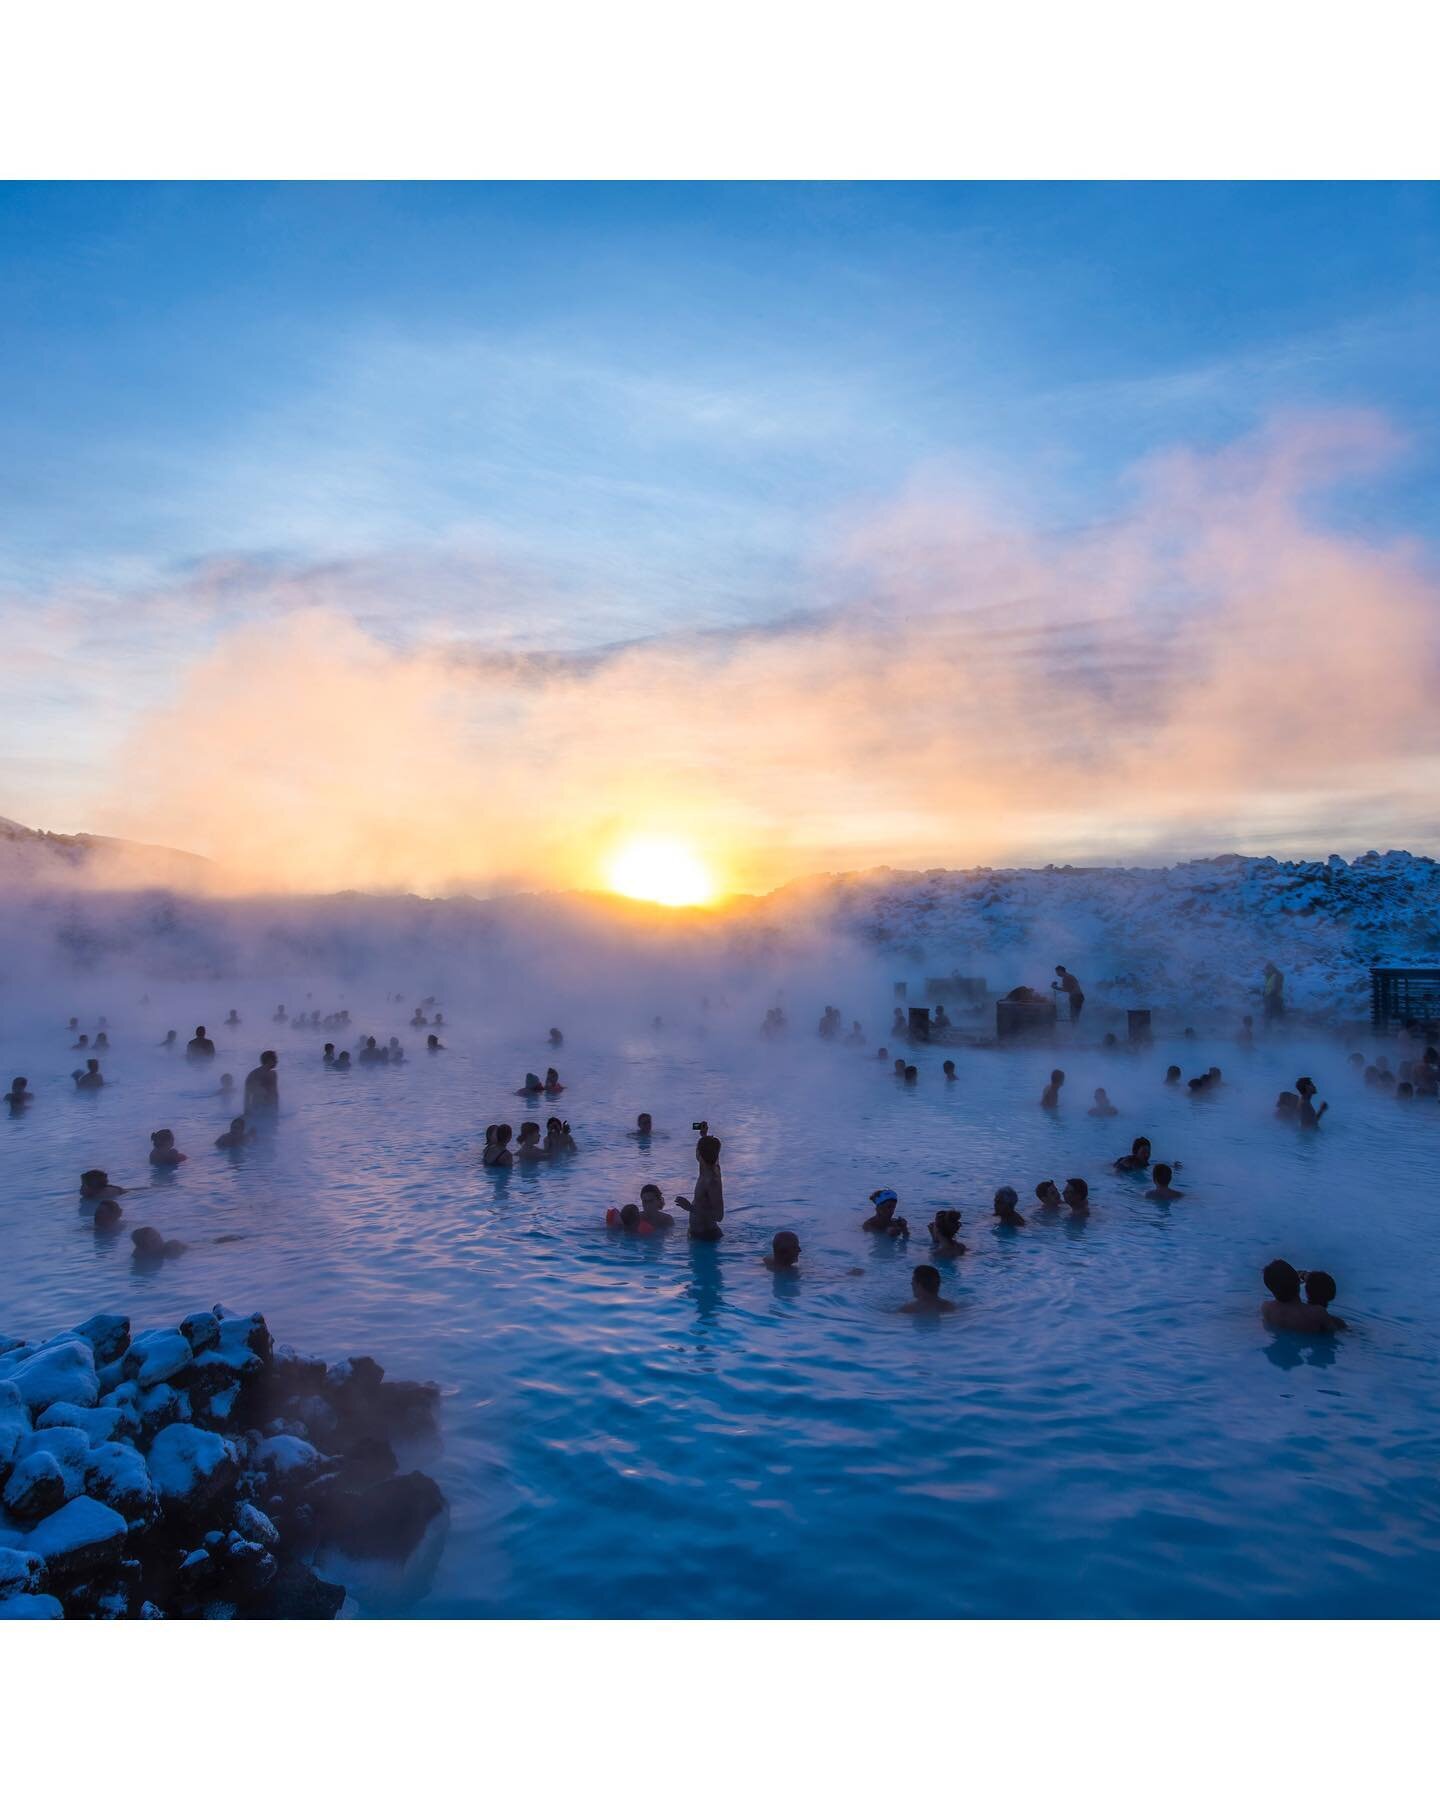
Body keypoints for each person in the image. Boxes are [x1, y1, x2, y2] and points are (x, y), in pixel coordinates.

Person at [1261, 1260, 1342, 1334]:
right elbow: (1335, 1332)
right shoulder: (1317, 1314)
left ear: (1271, 1289)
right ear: (1299, 1282)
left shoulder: (1266, 1309)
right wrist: (1309, 1277)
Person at [676, 1134, 724, 1240]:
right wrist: (704, 1136)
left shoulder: (711, 1181)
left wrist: (690, 1208)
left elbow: (719, 1216)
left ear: (698, 1153)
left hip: (706, 1238)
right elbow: (712, 1152)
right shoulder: (713, 1169)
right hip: (700, 1236)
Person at [244, 1050, 279, 1114]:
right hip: (258, 1109)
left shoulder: (273, 1074)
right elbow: (247, 1094)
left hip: (270, 1109)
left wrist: (276, 1110)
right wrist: (247, 1111)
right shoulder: (255, 1075)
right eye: (275, 1059)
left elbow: (275, 1094)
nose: (277, 1061)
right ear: (269, 1060)